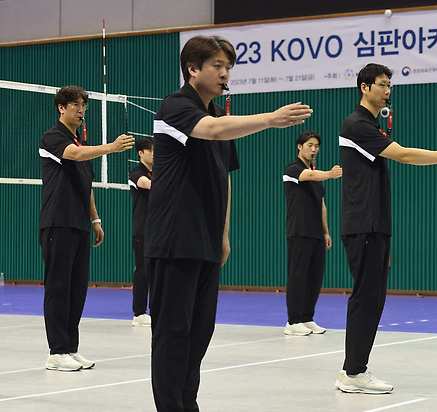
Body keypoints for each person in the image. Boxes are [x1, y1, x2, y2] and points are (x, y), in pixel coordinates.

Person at [144, 35, 312, 411]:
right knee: (172, 334)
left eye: (228, 67)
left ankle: (189, 404)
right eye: (217, 66)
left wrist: (223, 234)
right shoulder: (176, 108)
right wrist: (270, 119)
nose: (225, 74)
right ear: (193, 69)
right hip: (173, 239)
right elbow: (212, 131)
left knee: (200, 332)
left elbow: (226, 177)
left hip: (205, 240)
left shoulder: (221, 117)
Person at [335, 63, 437, 394]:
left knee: (373, 297)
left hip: (375, 225)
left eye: (390, 85)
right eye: (382, 85)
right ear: (365, 87)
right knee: (366, 297)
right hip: (363, 224)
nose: (388, 90)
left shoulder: (370, 125)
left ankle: (355, 369)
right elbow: (403, 156)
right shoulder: (357, 125)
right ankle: (352, 372)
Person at [39, 85, 134, 371]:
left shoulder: (79, 143)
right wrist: (111, 147)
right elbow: (75, 156)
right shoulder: (53, 137)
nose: (81, 110)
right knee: (58, 288)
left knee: (76, 289)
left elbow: (86, 185)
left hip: (79, 224)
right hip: (58, 222)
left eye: (84, 106)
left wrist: (95, 220)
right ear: (62, 108)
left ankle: (70, 348)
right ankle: (56, 352)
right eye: (76, 105)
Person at [282, 131, 342, 336]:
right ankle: (292, 321)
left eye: (316, 145)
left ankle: (307, 318)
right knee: (298, 276)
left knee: (314, 277)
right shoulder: (293, 169)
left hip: (316, 233)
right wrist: (329, 174)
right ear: (300, 147)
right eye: (310, 145)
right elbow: (307, 175)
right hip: (299, 231)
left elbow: (322, 205)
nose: (314, 149)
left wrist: (326, 231)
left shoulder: (316, 177)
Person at [129, 138, 153, 327]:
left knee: (159, 271)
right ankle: (139, 313)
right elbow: (147, 184)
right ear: (141, 153)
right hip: (143, 229)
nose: (155, 153)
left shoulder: (160, 171)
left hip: (160, 229)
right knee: (142, 270)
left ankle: (158, 309)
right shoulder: (136, 173)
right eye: (151, 150)